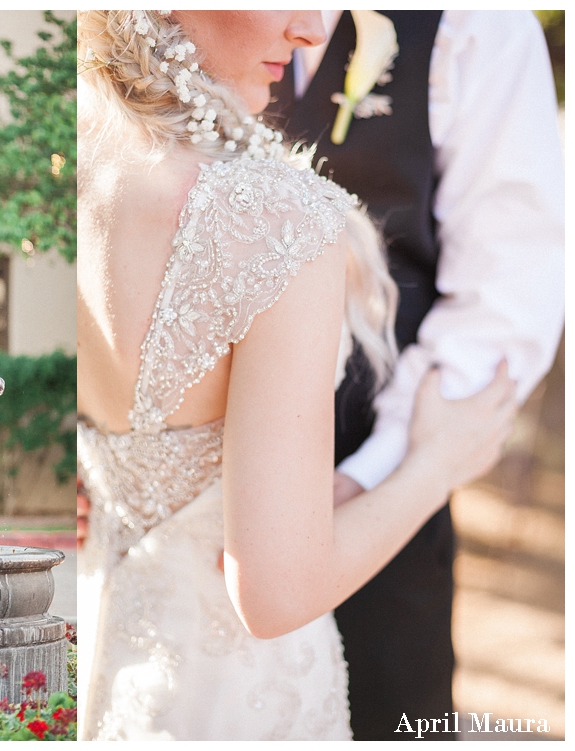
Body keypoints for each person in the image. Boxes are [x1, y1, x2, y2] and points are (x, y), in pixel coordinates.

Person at [76, 10, 518, 741]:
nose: (312, 29)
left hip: (109, 655)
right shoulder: (278, 220)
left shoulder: (75, 168)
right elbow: (274, 594)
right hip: (240, 698)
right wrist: (435, 463)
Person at [262, 11, 564, 739]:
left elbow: (507, 286)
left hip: (383, 483)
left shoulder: (474, 27)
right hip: (182, 490)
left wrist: (373, 475)